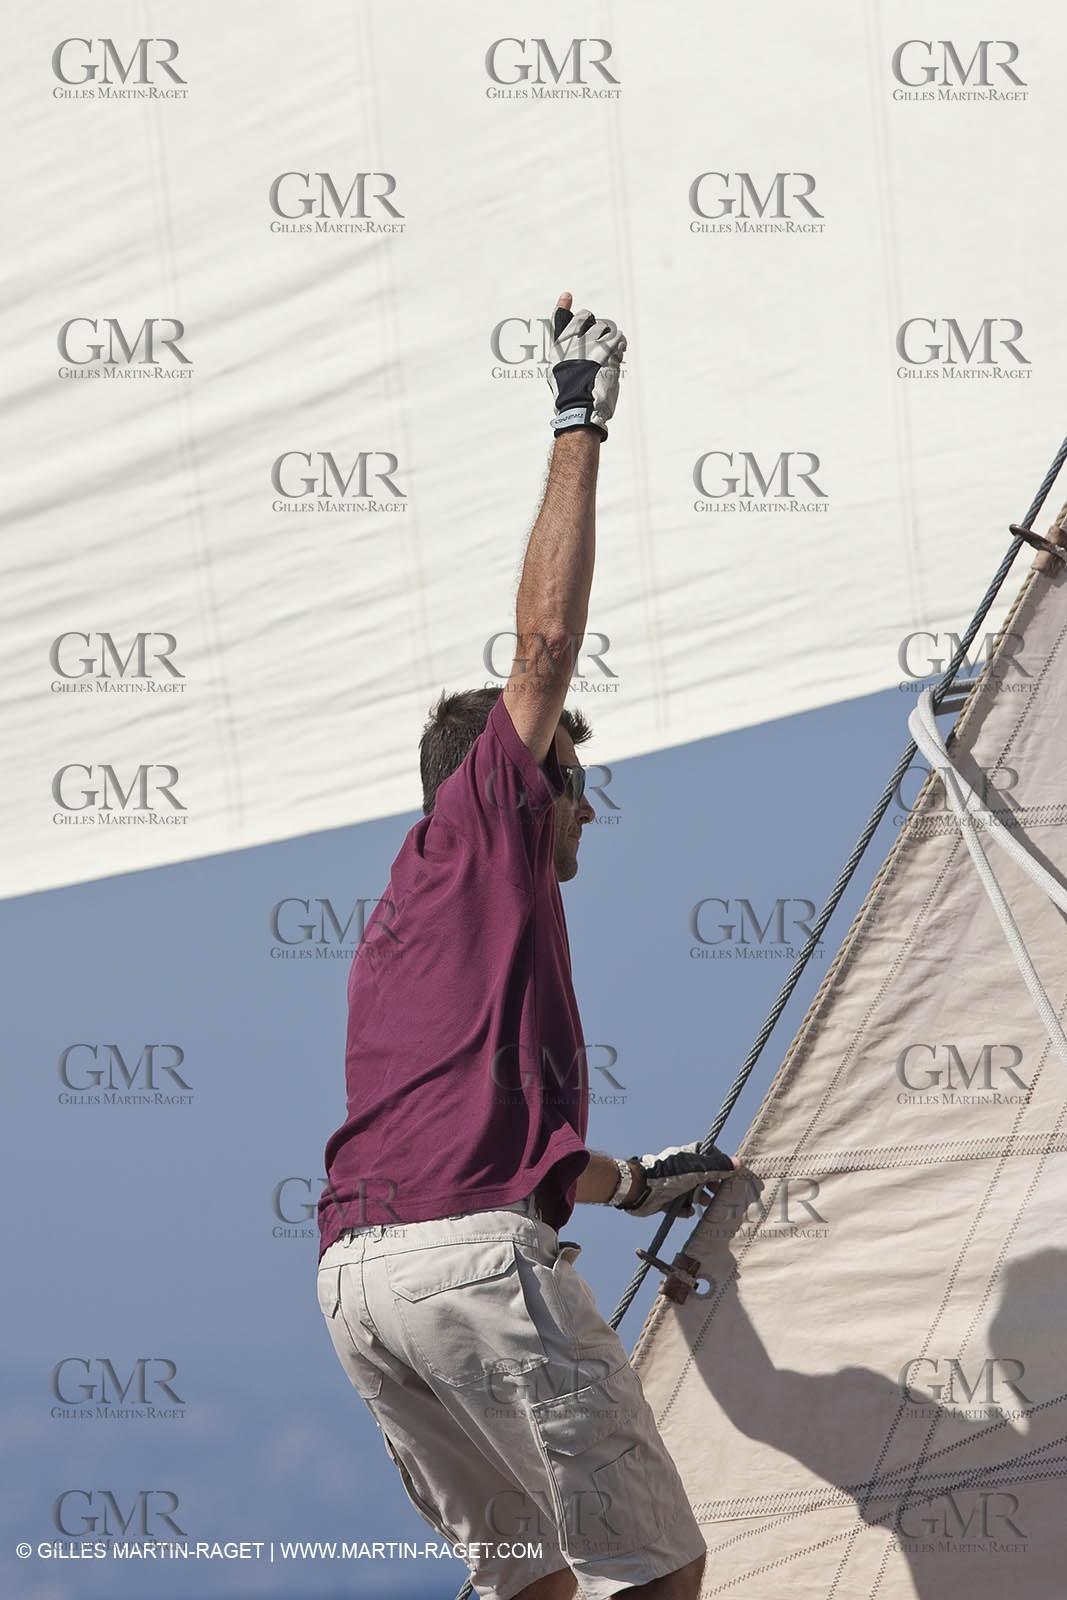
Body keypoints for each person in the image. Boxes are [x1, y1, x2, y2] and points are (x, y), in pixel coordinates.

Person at [316, 291, 738, 1600]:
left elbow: (487, 1139)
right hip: (466, 1263)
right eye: (575, 777)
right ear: (521, 776)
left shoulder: (411, 914)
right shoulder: (485, 817)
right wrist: (578, 412)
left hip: (357, 1287)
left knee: (532, 1589)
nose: (588, 808)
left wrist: (639, 1185)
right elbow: (546, 644)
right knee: (657, 1578)